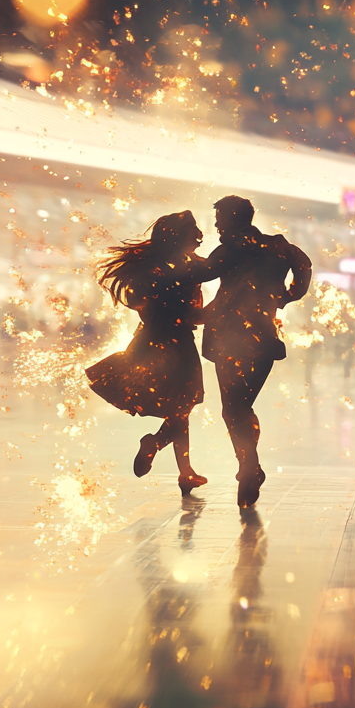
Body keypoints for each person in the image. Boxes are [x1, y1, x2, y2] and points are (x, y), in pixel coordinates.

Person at [87, 210, 211, 495]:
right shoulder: (188, 269)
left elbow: (137, 301)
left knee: (180, 411)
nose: (200, 236)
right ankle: (156, 445)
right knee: (182, 408)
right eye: (194, 231)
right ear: (180, 237)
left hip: (147, 343)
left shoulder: (154, 269)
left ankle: (186, 472)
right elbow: (192, 315)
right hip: (176, 346)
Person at [202, 196, 312, 507]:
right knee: (241, 407)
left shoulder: (229, 250)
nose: (216, 224)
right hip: (263, 336)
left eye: (219, 218)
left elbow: (203, 273)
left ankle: (249, 467)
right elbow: (303, 264)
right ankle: (249, 467)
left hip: (228, 338)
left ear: (232, 219)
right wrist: (289, 295)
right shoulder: (276, 246)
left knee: (234, 408)